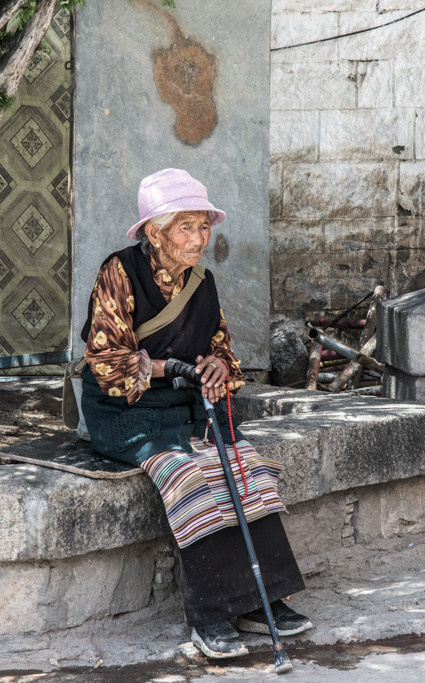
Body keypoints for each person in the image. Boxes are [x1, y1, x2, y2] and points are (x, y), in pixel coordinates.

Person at [80, 168, 312, 659]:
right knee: (186, 476)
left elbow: (224, 352)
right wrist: (166, 366)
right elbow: (107, 363)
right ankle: (210, 614)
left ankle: (261, 599)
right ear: (153, 233)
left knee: (243, 466)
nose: (199, 239)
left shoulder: (202, 284)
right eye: (185, 227)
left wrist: (214, 368)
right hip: (126, 410)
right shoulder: (119, 273)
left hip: (183, 406)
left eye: (203, 226)